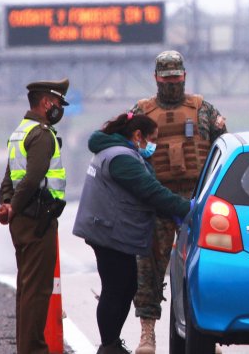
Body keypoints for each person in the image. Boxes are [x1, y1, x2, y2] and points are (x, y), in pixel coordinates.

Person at [129, 50, 227, 354]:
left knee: (202, 268)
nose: (172, 83)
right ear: (156, 78)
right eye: (166, 78)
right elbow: (128, 156)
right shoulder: (141, 112)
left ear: (183, 76)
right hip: (157, 201)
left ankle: (204, 334)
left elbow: (220, 152)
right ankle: (147, 334)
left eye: (176, 78)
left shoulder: (203, 110)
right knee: (149, 267)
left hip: (194, 201)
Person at [73, 112, 192, 354]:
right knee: (116, 288)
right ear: (138, 135)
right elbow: (150, 191)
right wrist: (187, 208)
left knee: (124, 286)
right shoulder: (121, 158)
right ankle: (108, 346)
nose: (153, 145)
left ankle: (112, 344)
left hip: (109, 229)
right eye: (152, 139)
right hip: (108, 232)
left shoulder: (118, 152)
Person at [0, 78, 70, 354]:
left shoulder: (19, 132)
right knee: (37, 291)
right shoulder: (41, 134)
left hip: (22, 221)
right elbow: (32, 177)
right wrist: (12, 207)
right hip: (38, 221)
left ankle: (26, 348)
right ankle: (34, 349)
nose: (60, 108)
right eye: (59, 103)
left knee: (26, 289)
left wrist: (7, 205)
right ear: (47, 102)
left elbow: (8, 179)